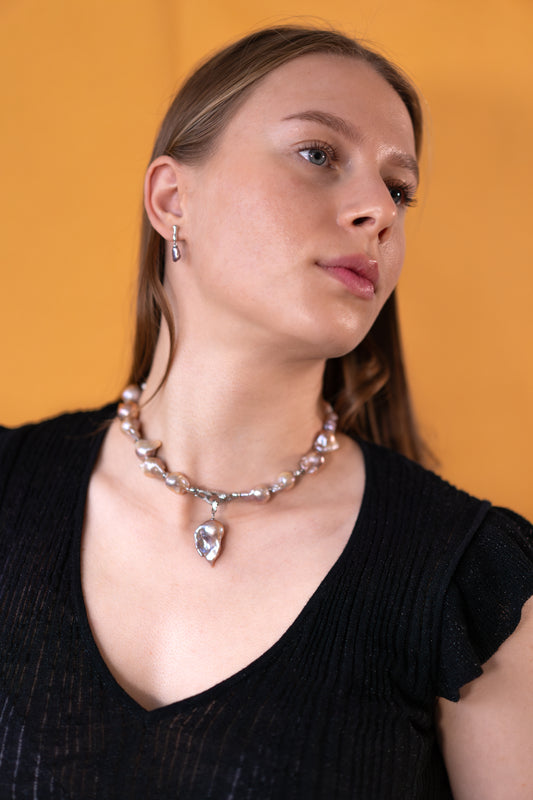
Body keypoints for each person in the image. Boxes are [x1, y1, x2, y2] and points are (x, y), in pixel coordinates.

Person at [0, 24, 531, 800]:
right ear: (173, 200)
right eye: (318, 154)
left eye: (398, 189)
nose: (376, 211)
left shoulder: (472, 585)